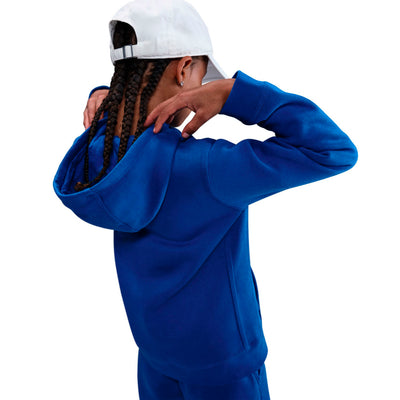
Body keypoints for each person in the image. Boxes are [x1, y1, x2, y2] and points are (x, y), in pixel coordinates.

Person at [53, 0, 358, 398]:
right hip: (224, 370)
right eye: (201, 74)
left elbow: (116, 110)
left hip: (156, 363)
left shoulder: (101, 153)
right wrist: (234, 94)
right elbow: (333, 150)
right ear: (183, 69)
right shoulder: (208, 168)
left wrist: (103, 94)